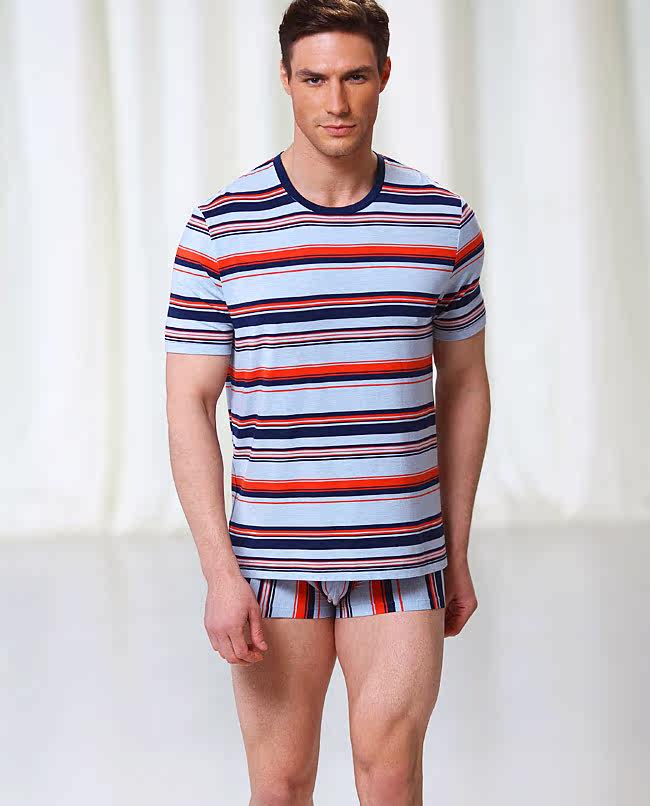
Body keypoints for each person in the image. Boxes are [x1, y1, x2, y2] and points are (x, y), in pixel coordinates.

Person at [164, 1, 490, 802]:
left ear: (385, 76)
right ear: (285, 79)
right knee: (280, 785)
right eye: (314, 79)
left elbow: (466, 387)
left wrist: (455, 549)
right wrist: (220, 574)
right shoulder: (220, 230)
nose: (336, 102)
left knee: (391, 778)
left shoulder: (442, 222)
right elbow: (188, 406)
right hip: (273, 563)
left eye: (354, 77)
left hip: (402, 558)